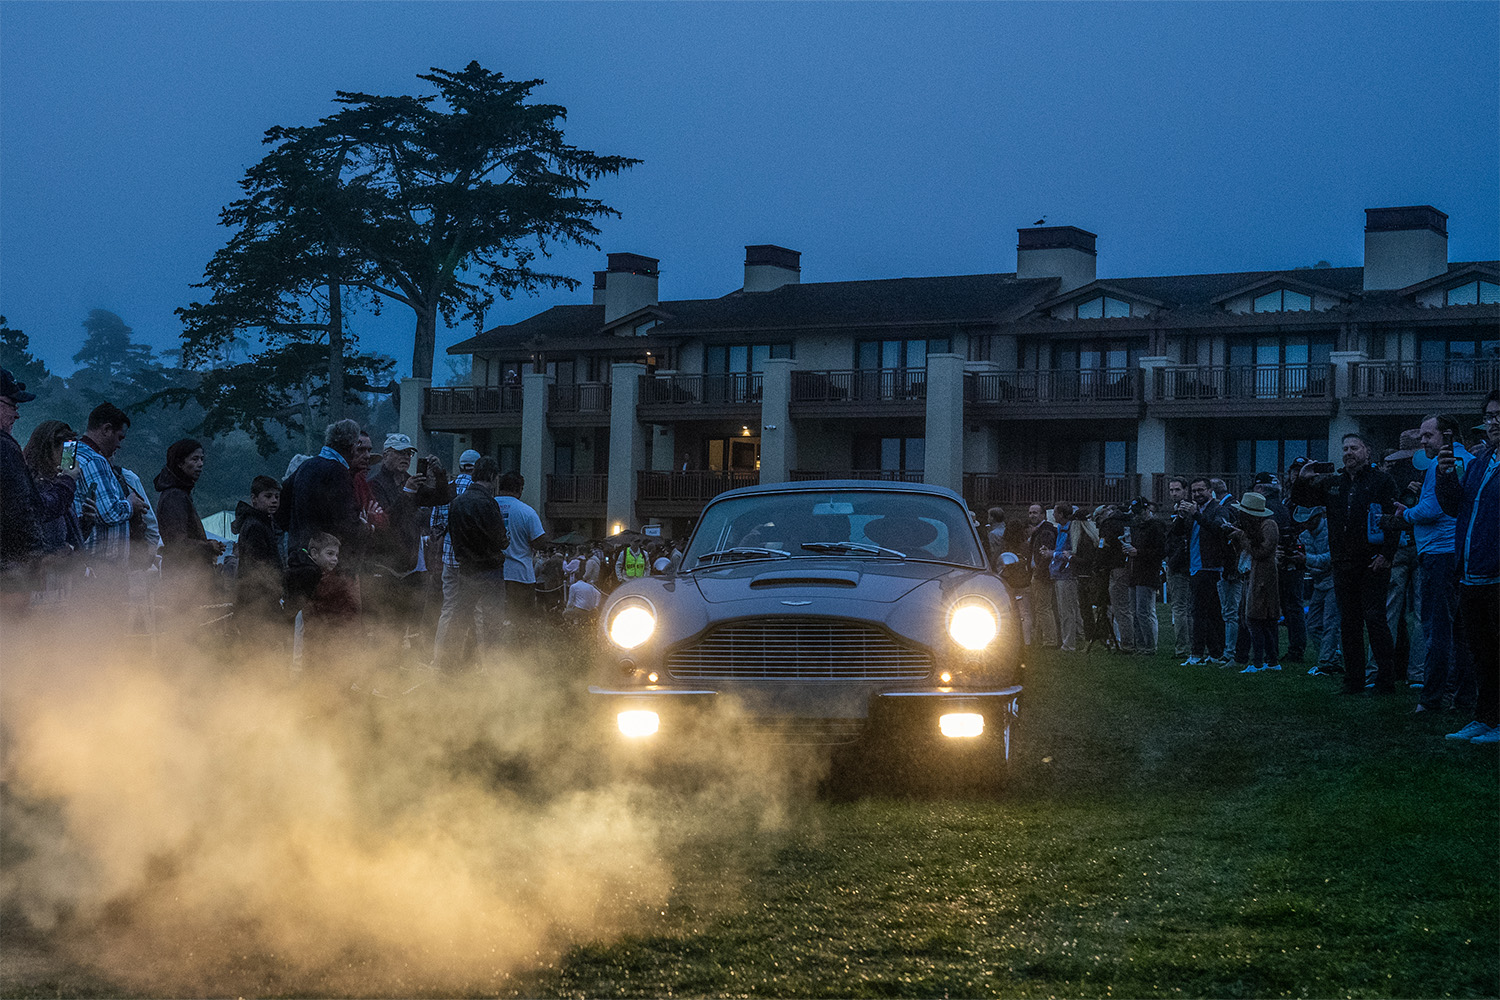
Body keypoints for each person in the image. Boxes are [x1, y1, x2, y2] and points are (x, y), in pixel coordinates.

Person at [1291, 432, 1400, 695]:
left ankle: (1385, 680)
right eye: (1345, 449)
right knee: (1349, 623)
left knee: (1375, 620)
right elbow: (1303, 501)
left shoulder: (1382, 481)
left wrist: (1387, 554)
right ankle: (1354, 681)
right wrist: (1302, 480)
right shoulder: (1334, 483)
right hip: (1343, 562)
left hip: (1371, 561)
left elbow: (1394, 517)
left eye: (1354, 448)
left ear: (1367, 451)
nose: (1348, 452)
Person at [1436, 391, 1500, 743]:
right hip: (1471, 574)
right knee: (1483, 653)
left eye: (1499, 415)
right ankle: (1486, 717)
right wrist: (1445, 476)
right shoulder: (1480, 461)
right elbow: (1454, 508)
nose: (1494, 422)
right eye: (1489, 416)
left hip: (1497, 574)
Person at [1399, 415, 1471, 714]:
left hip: (1440, 554)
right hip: (1457, 553)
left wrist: (1404, 515)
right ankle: (1463, 696)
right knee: (1461, 631)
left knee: (1436, 628)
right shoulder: (1469, 460)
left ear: (1448, 435)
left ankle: (1431, 699)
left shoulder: (1441, 464)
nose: (1423, 442)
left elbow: (1434, 508)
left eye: (1429, 436)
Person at [436, 456, 509, 668]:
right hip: (490, 569)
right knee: (492, 621)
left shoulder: (457, 502)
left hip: (466, 569)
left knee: (460, 617)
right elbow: (500, 540)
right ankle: (492, 665)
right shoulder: (489, 502)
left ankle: (449, 663)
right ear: (494, 477)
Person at [71, 401, 148, 595]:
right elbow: (108, 513)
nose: (119, 445)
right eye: (119, 437)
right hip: (103, 569)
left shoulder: (68, 452)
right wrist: (132, 504)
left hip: (77, 562)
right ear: (106, 429)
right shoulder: (96, 459)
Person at [277, 419, 368, 552]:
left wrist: (295, 532)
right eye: (358, 444)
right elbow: (344, 519)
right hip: (326, 556)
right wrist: (363, 527)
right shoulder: (338, 472)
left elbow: (281, 505)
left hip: (298, 550)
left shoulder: (306, 465)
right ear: (351, 445)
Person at [1170, 478, 1234, 665]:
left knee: (1200, 612)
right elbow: (1176, 532)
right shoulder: (1192, 511)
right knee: (1210, 613)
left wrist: (1196, 515)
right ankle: (1215, 653)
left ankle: (1196, 653)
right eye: (1194, 491)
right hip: (1196, 566)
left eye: (1201, 490)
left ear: (1210, 491)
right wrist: (1181, 516)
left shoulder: (1219, 509)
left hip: (1211, 567)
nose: (1197, 494)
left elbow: (1218, 530)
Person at [21, 419, 85, 602]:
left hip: (62, 584)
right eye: (64, 450)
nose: (69, 458)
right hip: (42, 585)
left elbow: (65, 536)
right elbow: (42, 530)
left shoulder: (56, 485)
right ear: (47, 449)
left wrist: (85, 523)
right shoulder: (36, 486)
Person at [153, 438, 226, 592]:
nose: (200, 464)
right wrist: (208, 546)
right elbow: (177, 543)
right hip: (183, 581)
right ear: (180, 463)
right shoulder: (174, 496)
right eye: (194, 459)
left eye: (202, 459)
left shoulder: (180, 494)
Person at [0, 369, 46, 611]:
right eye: (12, 404)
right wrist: (35, 556)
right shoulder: (5, 448)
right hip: (9, 573)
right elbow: (21, 508)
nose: (17, 414)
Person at [1229, 492, 1280, 673]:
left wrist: (1242, 538)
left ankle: (1259, 662)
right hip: (1250, 577)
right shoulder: (1256, 528)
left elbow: (1261, 552)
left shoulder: (1269, 525)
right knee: (1255, 621)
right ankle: (1270, 661)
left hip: (1262, 580)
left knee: (1257, 620)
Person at [494, 471, 547, 634]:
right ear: (520, 489)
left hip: (492, 574)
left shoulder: (489, 505)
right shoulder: (526, 511)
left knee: (492, 621)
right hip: (520, 575)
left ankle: (491, 654)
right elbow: (541, 543)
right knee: (523, 624)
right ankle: (521, 656)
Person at [232, 475, 285, 634]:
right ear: (254, 499)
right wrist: (278, 585)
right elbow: (259, 566)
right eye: (268, 496)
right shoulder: (255, 526)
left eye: (277, 496)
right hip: (257, 601)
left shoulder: (264, 523)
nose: (274, 500)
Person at [1295, 505, 1342, 678]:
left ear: (1318, 516)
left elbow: (1332, 557)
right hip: (1319, 582)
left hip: (1334, 581)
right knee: (1313, 624)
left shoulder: (1332, 529)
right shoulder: (1304, 536)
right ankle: (1333, 655)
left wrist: (1307, 559)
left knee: (1331, 622)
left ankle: (1326, 663)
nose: (1306, 524)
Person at [1124, 497, 1165, 656]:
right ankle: (1141, 645)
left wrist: (1138, 552)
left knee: (1143, 611)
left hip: (1147, 573)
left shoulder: (1156, 526)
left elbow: (1160, 551)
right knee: (1134, 611)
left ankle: (1149, 646)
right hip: (1135, 572)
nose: (1137, 515)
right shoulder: (1136, 525)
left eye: (1140, 512)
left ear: (1147, 509)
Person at [1163, 477, 1193, 659]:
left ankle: (1183, 647)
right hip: (1178, 562)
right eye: (1171, 490)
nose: (1174, 493)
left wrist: (1173, 560)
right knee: (1184, 608)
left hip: (1181, 564)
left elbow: (1182, 538)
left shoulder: (1185, 511)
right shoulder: (1176, 510)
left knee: (1180, 607)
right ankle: (1187, 645)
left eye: (1177, 490)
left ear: (1185, 490)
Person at [1028, 503, 1059, 647]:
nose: (1032, 515)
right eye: (1030, 513)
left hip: (1042, 574)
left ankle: (1050, 640)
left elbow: (1045, 555)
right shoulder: (1040, 530)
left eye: (1035, 512)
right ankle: (1041, 638)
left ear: (1043, 515)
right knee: (1041, 607)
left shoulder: (1045, 531)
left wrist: (1039, 571)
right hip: (1040, 572)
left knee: (1043, 607)